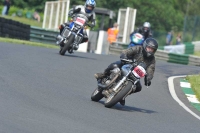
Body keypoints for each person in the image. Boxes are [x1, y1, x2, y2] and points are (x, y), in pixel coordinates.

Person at [94, 38, 158, 106]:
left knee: (138, 87)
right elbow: (126, 51)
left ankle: (122, 95)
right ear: (145, 46)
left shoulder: (152, 60)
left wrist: (148, 78)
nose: (150, 50)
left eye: (152, 49)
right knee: (114, 65)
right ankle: (103, 75)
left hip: (135, 74)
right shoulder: (138, 48)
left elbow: (151, 69)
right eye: (149, 48)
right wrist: (124, 56)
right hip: (127, 64)